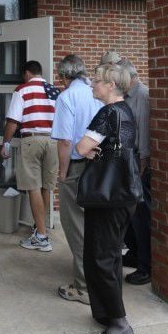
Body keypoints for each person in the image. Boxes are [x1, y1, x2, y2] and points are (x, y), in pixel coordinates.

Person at [76, 63, 137, 334]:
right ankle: (108, 314)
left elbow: (81, 147)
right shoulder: (126, 112)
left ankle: (118, 323)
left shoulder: (108, 112)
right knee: (108, 257)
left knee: (101, 258)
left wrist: (90, 152)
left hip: (107, 196)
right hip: (120, 195)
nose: (93, 85)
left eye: (97, 81)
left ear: (111, 85)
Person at [51, 55, 102, 304]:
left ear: (63, 76)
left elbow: (64, 140)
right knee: (94, 224)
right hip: (100, 165)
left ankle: (83, 286)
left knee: (75, 225)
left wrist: (62, 172)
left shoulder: (67, 97)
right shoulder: (96, 93)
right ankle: (99, 278)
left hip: (76, 166)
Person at [1, 60, 59, 252]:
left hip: (32, 139)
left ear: (27, 73)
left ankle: (41, 237)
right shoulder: (54, 90)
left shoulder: (23, 90)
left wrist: (6, 143)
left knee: (33, 186)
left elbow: (13, 121)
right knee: (45, 186)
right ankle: (40, 228)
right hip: (53, 141)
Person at [117, 58, 151, 285]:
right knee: (127, 214)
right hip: (128, 161)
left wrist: (142, 165)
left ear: (129, 77)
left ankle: (146, 267)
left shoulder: (143, 96)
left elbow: (145, 132)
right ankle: (134, 253)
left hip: (140, 164)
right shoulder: (128, 96)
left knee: (141, 216)